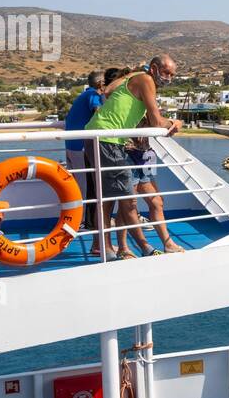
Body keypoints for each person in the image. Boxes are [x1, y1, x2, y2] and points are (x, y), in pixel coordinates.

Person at [83, 55, 182, 259]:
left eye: (172, 75)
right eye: (166, 73)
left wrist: (130, 74)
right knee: (128, 201)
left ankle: (107, 248)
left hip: (102, 138)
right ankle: (143, 248)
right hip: (106, 139)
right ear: (154, 69)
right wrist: (174, 122)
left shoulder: (135, 76)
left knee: (108, 199)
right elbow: (156, 121)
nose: (169, 79)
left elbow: (107, 91)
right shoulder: (146, 80)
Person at [116, 127, 185, 256]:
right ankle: (123, 248)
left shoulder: (146, 108)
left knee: (156, 202)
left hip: (145, 154)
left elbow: (154, 122)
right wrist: (170, 123)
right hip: (127, 154)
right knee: (126, 206)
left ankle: (168, 244)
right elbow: (157, 121)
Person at [62, 71, 106, 172]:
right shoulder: (93, 94)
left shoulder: (85, 94)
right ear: (101, 83)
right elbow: (99, 113)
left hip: (71, 144)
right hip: (80, 147)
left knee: (77, 181)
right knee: (84, 185)